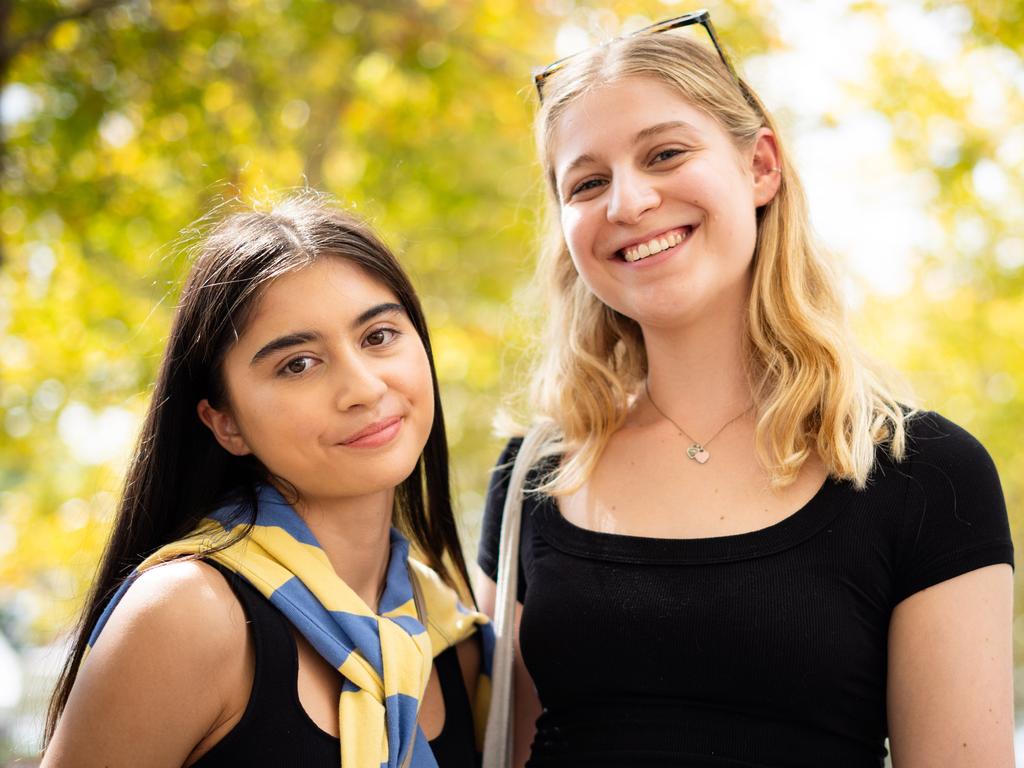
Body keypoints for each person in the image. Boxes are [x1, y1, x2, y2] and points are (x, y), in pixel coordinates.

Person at [476, 12, 1014, 768]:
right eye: (587, 182)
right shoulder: (533, 475)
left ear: (761, 165)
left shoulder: (925, 474)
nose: (627, 202)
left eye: (664, 153)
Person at [43, 193, 491, 767]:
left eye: (378, 336)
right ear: (225, 422)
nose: (364, 387)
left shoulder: (451, 636)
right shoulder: (187, 614)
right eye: (297, 364)